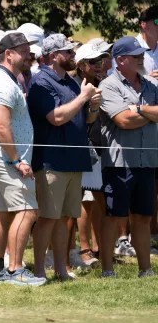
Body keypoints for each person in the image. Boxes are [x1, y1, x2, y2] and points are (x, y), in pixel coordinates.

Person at [27, 34, 100, 280]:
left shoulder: (70, 82)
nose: (73, 55)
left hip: (73, 160)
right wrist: (83, 97)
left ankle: (61, 270)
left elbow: (85, 119)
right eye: (68, 51)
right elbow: (56, 117)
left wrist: (92, 106)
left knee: (65, 218)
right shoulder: (41, 81)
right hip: (51, 161)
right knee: (48, 218)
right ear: (53, 56)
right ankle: (39, 270)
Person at [0, 32, 45, 287]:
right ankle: (15, 269)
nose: (30, 55)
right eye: (24, 51)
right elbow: (1, 126)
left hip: (1, 158)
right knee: (28, 211)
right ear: (8, 54)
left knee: (1, 213)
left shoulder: (8, 80)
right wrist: (17, 160)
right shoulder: (3, 84)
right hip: (7, 160)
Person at [98, 36, 158, 278]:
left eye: (141, 54)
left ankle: (146, 270)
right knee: (114, 217)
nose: (141, 58)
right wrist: (151, 114)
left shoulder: (150, 84)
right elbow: (123, 120)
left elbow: (133, 116)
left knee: (143, 217)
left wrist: (139, 109)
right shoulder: (108, 86)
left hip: (148, 160)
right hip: (119, 163)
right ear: (120, 60)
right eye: (136, 56)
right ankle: (107, 270)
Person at [74, 41, 111, 267]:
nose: (99, 64)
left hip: (102, 148)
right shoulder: (74, 85)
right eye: (94, 61)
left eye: (101, 60)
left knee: (101, 201)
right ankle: (82, 249)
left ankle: (101, 248)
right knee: (78, 202)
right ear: (81, 65)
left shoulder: (106, 83)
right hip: (80, 149)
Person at [134, 5, 158, 78]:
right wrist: (146, 81)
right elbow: (117, 80)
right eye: (157, 21)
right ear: (143, 24)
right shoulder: (129, 49)